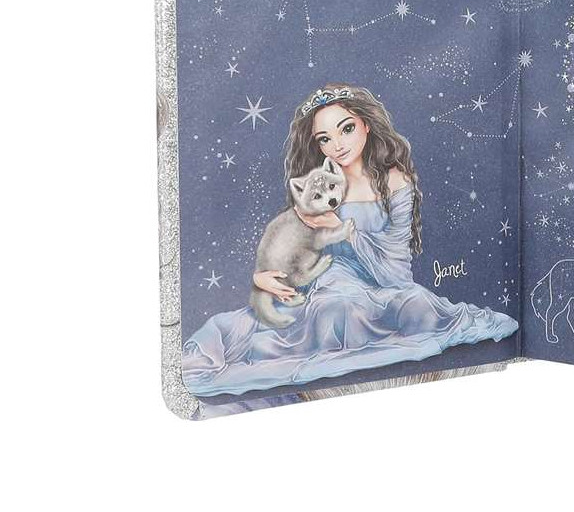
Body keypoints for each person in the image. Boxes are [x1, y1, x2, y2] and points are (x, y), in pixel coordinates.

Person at [183, 83, 517, 397]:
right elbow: (289, 245)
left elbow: (397, 270)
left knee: (418, 307)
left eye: (346, 129)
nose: (337, 145)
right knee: (338, 310)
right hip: (331, 281)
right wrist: (261, 278)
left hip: (386, 282)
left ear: (366, 125)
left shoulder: (396, 180)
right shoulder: (320, 186)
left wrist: (348, 231)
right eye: (324, 139)